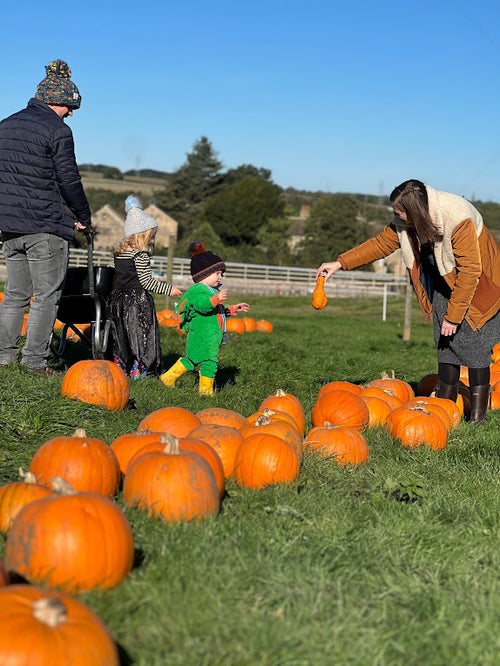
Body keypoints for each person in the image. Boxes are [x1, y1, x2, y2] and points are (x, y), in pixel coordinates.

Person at [316, 179, 500, 423]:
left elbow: (469, 272)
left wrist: (454, 317)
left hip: (479, 287)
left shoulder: (458, 218)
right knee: (446, 348)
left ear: (416, 211)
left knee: (476, 349)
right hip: (445, 284)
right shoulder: (406, 222)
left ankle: (478, 417)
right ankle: (443, 408)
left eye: (399, 211)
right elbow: (380, 244)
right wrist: (340, 263)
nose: (396, 215)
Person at [0, 60, 91, 375]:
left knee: (14, 295)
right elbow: (69, 179)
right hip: (46, 227)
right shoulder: (58, 130)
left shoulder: (5, 125)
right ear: (58, 102)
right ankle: (35, 362)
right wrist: (83, 215)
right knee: (46, 297)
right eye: (70, 106)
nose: (71, 113)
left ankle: (4, 358)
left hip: (9, 227)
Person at [160, 241, 250, 395]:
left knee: (191, 360)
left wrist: (233, 309)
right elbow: (202, 305)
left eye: (221, 274)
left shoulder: (209, 290)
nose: (220, 277)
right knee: (209, 362)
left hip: (204, 335)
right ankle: (205, 393)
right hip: (203, 335)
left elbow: (215, 312)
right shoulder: (199, 290)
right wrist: (216, 299)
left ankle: (168, 378)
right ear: (204, 273)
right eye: (217, 273)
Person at [108, 196, 182, 378]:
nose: (153, 240)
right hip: (137, 302)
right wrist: (169, 289)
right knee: (141, 335)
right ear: (142, 234)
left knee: (122, 334)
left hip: (118, 300)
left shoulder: (119, 254)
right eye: (152, 236)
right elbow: (147, 282)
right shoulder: (140, 256)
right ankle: (140, 369)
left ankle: (121, 365)